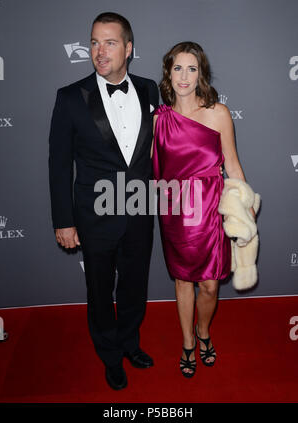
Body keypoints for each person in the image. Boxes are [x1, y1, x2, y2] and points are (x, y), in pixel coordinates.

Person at [49, 12, 159, 390]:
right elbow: (59, 164)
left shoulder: (150, 90)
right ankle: (110, 355)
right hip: (94, 214)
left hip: (140, 210)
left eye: (110, 42)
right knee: (99, 290)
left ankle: (130, 343)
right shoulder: (70, 97)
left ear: (129, 48)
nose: (100, 50)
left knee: (134, 285)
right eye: (94, 42)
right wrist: (63, 220)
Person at [152, 42, 255, 378]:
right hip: (175, 210)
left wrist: (244, 209)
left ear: (201, 74)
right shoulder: (158, 119)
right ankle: (187, 343)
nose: (184, 76)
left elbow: (234, 167)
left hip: (210, 208)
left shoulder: (218, 113)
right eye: (178, 68)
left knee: (210, 285)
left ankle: (203, 331)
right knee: (183, 281)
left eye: (192, 69)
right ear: (168, 71)